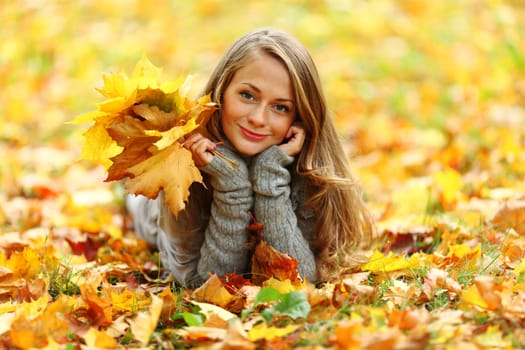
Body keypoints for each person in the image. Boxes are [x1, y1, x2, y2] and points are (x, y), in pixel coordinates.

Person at [126, 28, 374, 288]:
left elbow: (300, 280)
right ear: (222, 91)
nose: (258, 118)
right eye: (247, 95)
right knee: (140, 207)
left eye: (280, 107)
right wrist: (231, 183)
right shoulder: (183, 164)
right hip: (152, 216)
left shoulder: (310, 173)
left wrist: (269, 177)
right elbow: (204, 284)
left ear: (298, 118)